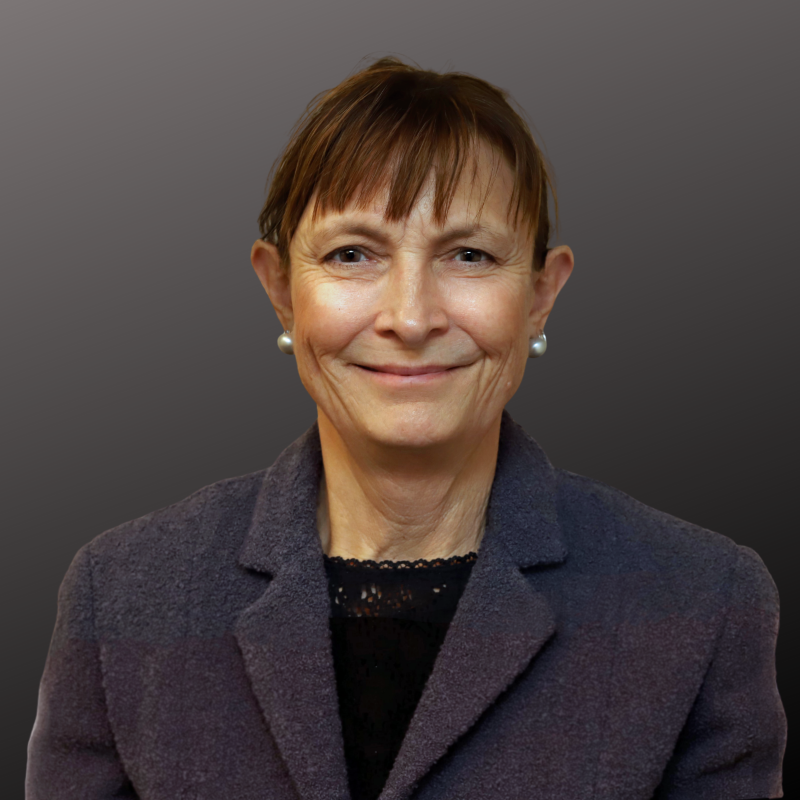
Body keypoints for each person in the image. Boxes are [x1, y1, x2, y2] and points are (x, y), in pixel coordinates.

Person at [26, 56, 786, 800]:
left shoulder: (700, 601)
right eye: (353, 254)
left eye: (470, 254)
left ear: (541, 296)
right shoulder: (124, 593)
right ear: (281, 290)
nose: (411, 317)